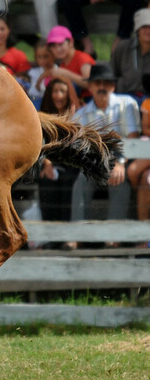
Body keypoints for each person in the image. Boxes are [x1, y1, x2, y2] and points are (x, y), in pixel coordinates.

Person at [69, 63, 138, 244]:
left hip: (122, 159)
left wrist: (120, 163)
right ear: (90, 86)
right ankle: (76, 235)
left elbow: (132, 137)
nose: (102, 87)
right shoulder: (82, 113)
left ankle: (113, 235)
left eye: (106, 83)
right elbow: (82, 146)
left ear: (113, 86)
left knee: (120, 181)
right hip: (95, 161)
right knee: (81, 181)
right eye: (97, 83)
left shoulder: (127, 103)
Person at [38, 78, 80, 228]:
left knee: (69, 181)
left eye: (62, 91)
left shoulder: (76, 116)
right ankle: (51, 233)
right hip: (49, 162)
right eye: (55, 91)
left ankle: (67, 231)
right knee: (46, 182)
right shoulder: (42, 117)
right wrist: (47, 164)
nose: (58, 95)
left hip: (72, 164)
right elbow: (40, 143)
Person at [112, 8, 150, 96]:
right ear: (137, 29)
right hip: (124, 97)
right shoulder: (123, 47)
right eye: (144, 26)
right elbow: (112, 74)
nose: (148, 31)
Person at [45, 25, 96, 91]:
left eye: (60, 44)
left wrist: (66, 74)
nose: (57, 49)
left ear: (71, 42)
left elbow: (91, 83)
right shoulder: (63, 65)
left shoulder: (82, 58)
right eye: (53, 46)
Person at [127, 96, 150, 224]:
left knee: (140, 176)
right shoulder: (148, 103)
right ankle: (144, 236)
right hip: (148, 144)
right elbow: (146, 128)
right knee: (136, 174)